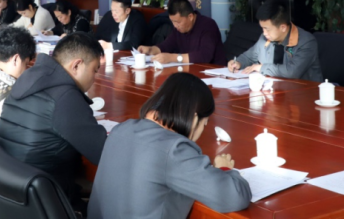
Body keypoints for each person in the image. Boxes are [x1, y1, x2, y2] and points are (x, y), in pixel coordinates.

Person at [88, 73, 251, 219]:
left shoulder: (120, 130)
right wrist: (224, 169)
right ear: (194, 119)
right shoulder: (174, 150)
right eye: (205, 123)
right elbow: (234, 197)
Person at [0, 33, 107, 214]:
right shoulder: (65, 97)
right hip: (44, 203)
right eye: (95, 70)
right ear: (77, 65)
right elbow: (104, 154)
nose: (95, 78)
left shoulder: (29, 76)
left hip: (9, 195)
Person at [228, 0, 322, 82]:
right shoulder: (265, 38)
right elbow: (249, 56)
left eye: (267, 29)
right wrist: (238, 62)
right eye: (262, 28)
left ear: (283, 28)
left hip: (303, 92)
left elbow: (291, 72)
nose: (264, 33)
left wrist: (261, 68)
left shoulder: (306, 42)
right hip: (274, 90)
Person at [138, 0, 227, 66]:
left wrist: (172, 57)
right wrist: (150, 50)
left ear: (190, 17)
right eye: (172, 22)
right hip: (191, 72)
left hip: (213, 73)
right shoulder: (179, 29)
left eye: (178, 22)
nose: (175, 25)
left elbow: (205, 55)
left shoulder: (208, 25)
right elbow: (166, 46)